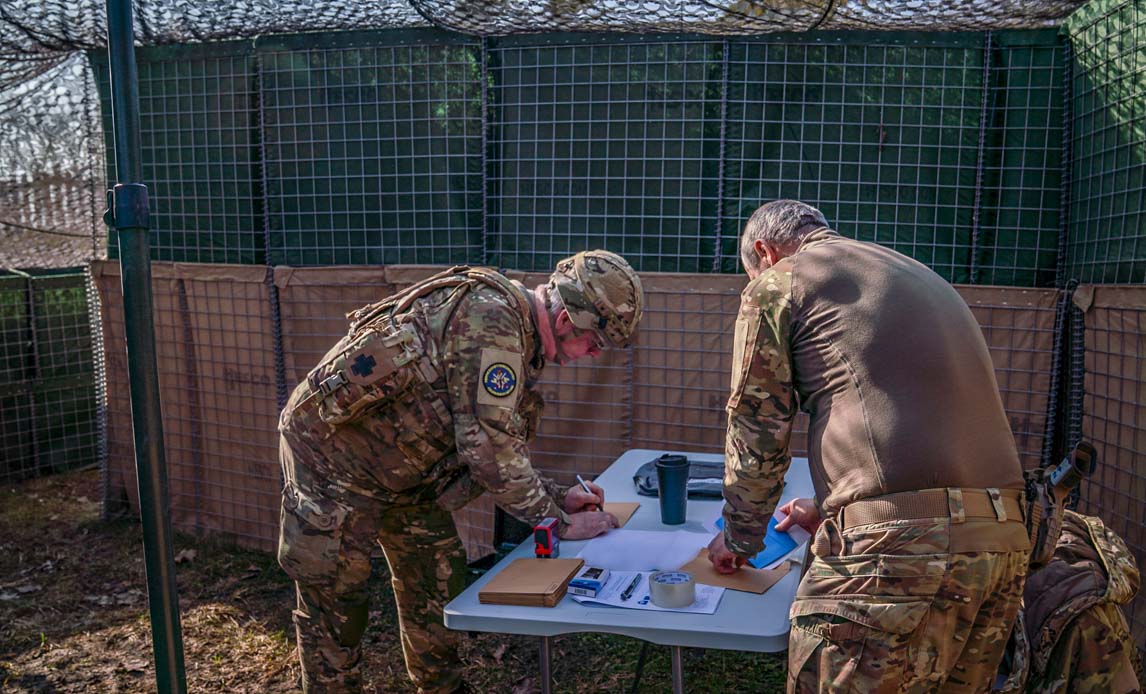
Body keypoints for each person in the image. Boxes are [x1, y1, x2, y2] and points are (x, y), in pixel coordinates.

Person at [277, 250, 643, 693]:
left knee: (435, 574)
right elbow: (488, 450)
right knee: (336, 598)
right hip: (335, 462)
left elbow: (494, 445)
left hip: (405, 472)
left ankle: (442, 688)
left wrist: (555, 495)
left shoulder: (512, 326)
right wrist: (561, 522)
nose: (591, 356)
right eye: (595, 344)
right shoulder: (493, 322)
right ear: (566, 319)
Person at [707, 200, 1031, 692]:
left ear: (763, 253)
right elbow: (910, 406)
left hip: (896, 550)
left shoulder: (780, 282)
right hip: (1001, 543)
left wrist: (740, 537)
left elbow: (758, 424)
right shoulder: (914, 272)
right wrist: (830, 506)